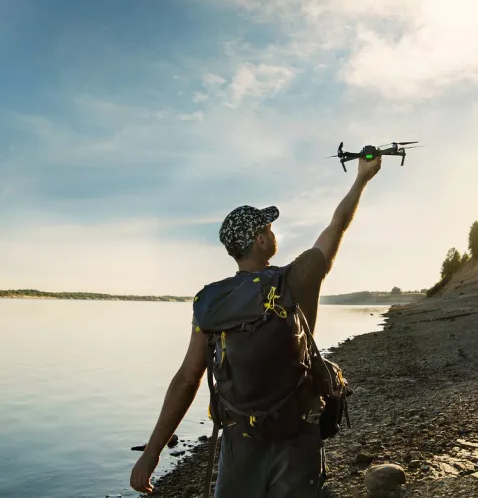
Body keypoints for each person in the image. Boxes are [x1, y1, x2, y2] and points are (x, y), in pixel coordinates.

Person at [130, 155, 382, 497]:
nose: (272, 232)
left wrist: (152, 452)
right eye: (268, 228)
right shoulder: (296, 279)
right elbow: (337, 224)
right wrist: (362, 178)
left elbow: (188, 378)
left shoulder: (210, 301)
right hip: (296, 437)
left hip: (239, 441)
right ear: (261, 241)